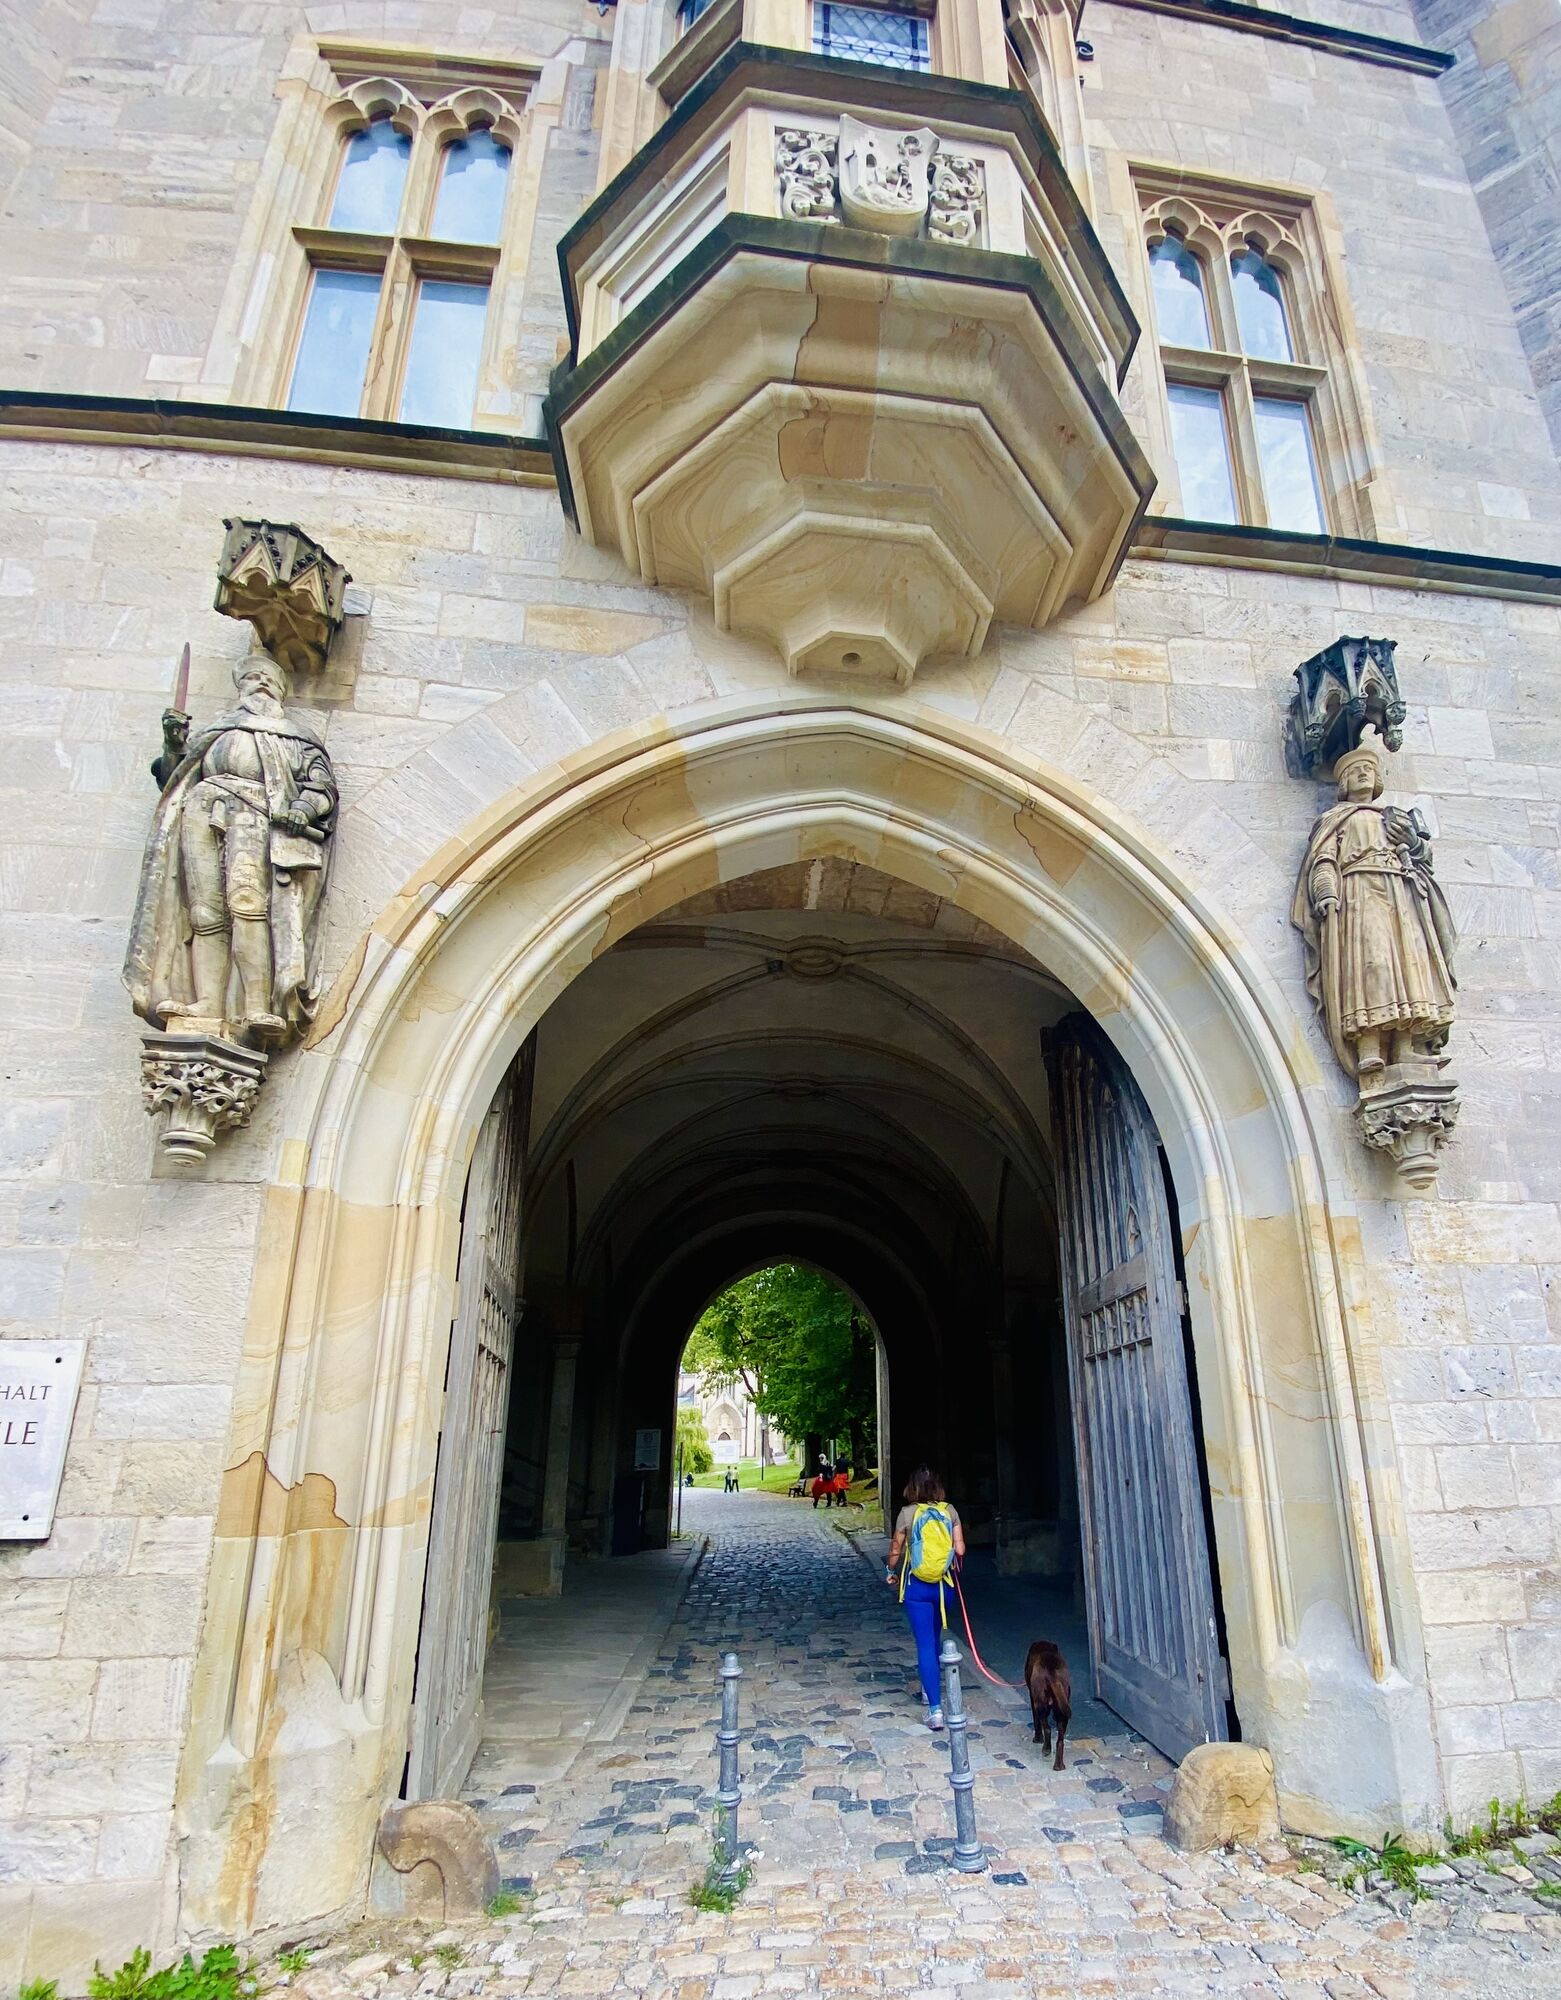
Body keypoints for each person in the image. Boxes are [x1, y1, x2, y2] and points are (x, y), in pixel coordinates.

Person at [885, 1466, 965, 1730]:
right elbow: (960, 1549)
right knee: (935, 1638)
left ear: (912, 1488)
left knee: (925, 1645)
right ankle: (929, 1691)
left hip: (916, 1587)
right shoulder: (949, 1511)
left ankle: (935, 1709)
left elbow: (896, 1548)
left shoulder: (907, 1513)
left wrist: (890, 1571)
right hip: (943, 1587)